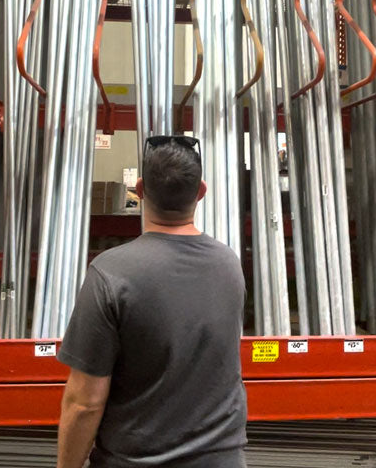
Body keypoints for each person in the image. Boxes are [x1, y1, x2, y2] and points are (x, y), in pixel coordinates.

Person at [56, 135, 248, 468]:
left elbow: (85, 403)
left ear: (140, 189)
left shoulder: (110, 272)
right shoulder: (229, 265)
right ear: (201, 191)